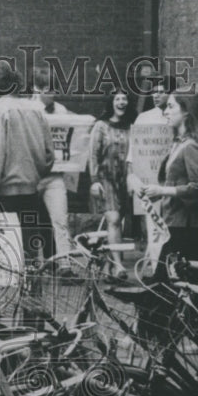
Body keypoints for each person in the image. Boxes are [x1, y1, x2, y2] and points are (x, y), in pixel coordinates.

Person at [0, 60, 54, 267]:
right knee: (29, 256)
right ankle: (31, 296)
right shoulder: (36, 109)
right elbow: (49, 156)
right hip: (30, 194)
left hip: (2, 195)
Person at [138, 93, 198, 261]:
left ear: (186, 112)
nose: (165, 111)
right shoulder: (179, 142)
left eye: (171, 107)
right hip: (177, 220)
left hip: (188, 224)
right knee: (170, 278)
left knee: (173, 278)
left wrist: (162, 190)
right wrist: (156, 193)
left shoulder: (192, 145)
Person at [90, 88, 138, 275]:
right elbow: (93, 154)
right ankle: (119, 265)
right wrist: (94, 180)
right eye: (117, 98)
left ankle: (110, 265)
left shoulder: (133, 126)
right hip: (105, 178)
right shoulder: (101, 126)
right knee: (114, 219)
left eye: (124, 99)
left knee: (120, 222)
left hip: (126, 180)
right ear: (111, 103)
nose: (121, 102)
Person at [31, 67, 74, 273]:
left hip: (54, 175)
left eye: (54, 89)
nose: (52, 93)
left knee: (60, 219)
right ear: (36, 89)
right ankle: (35, 266)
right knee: (32, 223)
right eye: (48, 89)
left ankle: (64, 264)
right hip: (32, 176)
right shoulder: (27, 109)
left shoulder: (62, 110)